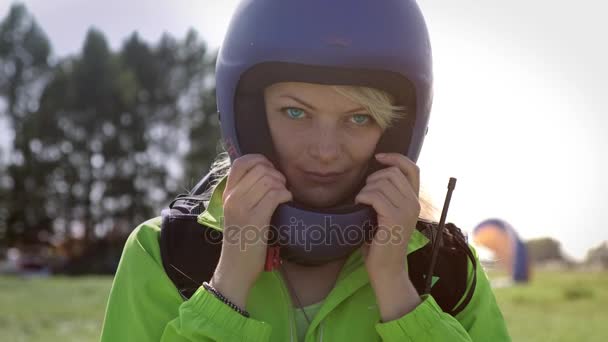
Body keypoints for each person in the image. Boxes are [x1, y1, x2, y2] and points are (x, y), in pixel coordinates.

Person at [100, 0, 511, 341]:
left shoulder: (447, 270)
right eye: (295, 112)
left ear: (396, 132)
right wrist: (227, 285)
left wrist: (397, 289)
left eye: (359, 118)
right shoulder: (166, 255)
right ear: (250, 118)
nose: (326, 151)